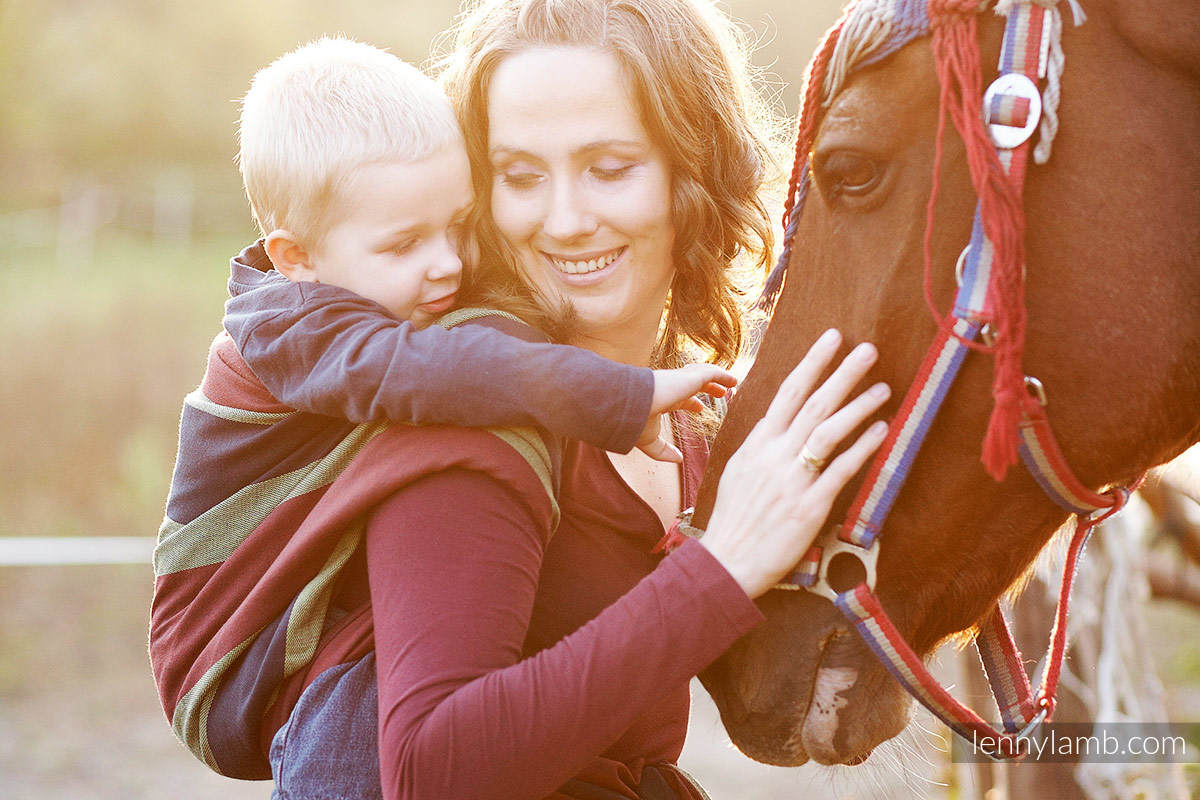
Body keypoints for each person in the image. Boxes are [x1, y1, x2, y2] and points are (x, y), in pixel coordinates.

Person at [235, 2, 894, 799]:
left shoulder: (678, 410)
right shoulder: (474, 419)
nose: (566, 220)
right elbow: (429, 770)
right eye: (519, 176)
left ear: (696, 168)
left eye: (609, 168)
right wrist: (721, 571)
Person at [149, 35, 736, 780]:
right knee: (372, 711)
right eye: (404, 245)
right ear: (296, 259)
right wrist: (616, 396)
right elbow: (443, 369)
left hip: (298, 628)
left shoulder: (367, 296)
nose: (450, 264)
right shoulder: (298, 329)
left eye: (458, 226)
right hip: (231, 648)